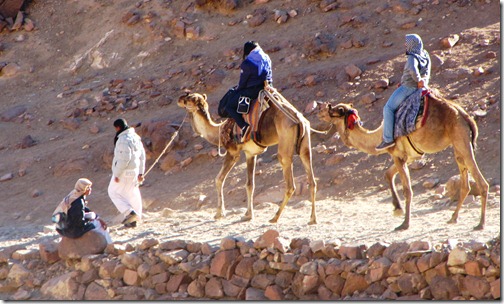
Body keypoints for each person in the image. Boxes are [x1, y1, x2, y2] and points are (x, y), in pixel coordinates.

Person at [376, 33, 431, 151]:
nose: (405, 45)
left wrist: (418, 80)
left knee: (388, 108)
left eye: (407, 43)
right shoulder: (424, 54)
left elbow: (412, 69)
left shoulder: (412, 57)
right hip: (418, 88)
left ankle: (388, 139)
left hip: (408, 87)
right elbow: (427, 70)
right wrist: (423, 82)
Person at [220, 41, 273, 141]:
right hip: (268, 88)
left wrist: (237, 90)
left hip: (253, 91)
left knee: (230, 106)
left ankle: (244, 126)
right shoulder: (266, 57)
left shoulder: (248, 62)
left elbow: (243, 82)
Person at [107, 118, 146, 228]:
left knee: (113, 192)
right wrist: (140, 173)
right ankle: (134, 219)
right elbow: (142, 156)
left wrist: (117, 174)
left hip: (124, 171)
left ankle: (129, 213)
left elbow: (124, 158)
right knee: (131, 194)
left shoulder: (123, 139)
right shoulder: (136, 137)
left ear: (118, 127)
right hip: (134, 171)